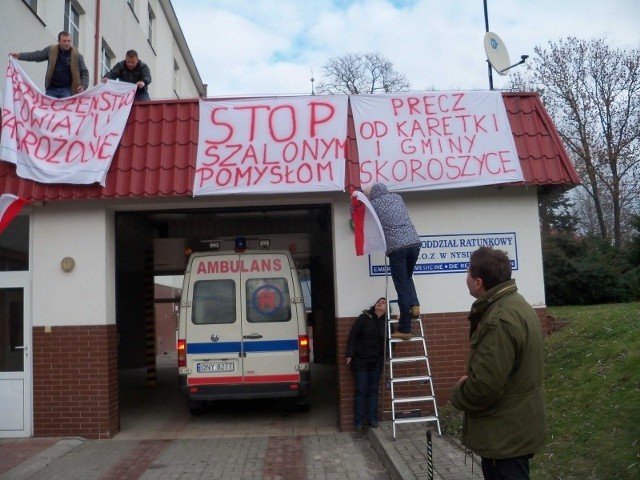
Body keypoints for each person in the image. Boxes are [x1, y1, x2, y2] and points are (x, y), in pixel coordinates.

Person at [450, 247, 546, 480]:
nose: (466, 277)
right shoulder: (517, 303)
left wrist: (459, 392)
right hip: (514, 428)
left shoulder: (499, 320)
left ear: (478, 282)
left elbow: (484, 387)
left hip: (504, 435)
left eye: (468, 272)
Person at [366, 182, 420, 341]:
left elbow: (360, 213)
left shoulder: (374, 204)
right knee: (407, 277)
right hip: (414, 244)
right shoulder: (397, 197)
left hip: (397, 248)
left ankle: (405, 329)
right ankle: (414, 305)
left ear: (372, 195)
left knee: (401, 287)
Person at [346, 297, 387, 431]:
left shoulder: (387, 323)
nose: (379, 304)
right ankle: (358, 421)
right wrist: (350, 354)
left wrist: (385, 357)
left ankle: (372, 418)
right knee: (361, 390)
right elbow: (353, 336)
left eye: (383, 303)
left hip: (376, 362)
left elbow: (390, 342)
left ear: (387, 309)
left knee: (373, 391)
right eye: (378, 302)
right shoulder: (364, 318)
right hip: (361, 361)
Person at [10, 31, 89, 98]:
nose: (67, 43)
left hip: (67, 90)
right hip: (51, 89)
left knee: (64, 113)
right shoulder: (51, 51)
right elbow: (37, 55)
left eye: (69, 41)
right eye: (64, 41)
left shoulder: (77, 56)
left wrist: (84, 86)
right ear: (59, 41)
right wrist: (19, 56)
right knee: (46, 112)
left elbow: (84, 72)